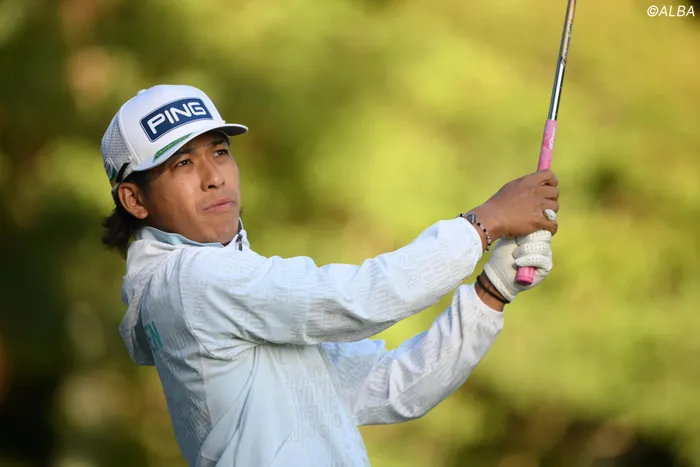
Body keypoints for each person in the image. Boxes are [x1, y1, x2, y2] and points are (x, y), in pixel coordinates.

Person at [101, 84, 559, 467]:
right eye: (182, 163)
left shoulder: (224, 286)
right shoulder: (189, 280)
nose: (214, 177)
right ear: (135, 200)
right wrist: (484, 223)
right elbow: (359, 299)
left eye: (219, 152)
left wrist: (491, 292)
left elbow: (395, 387)